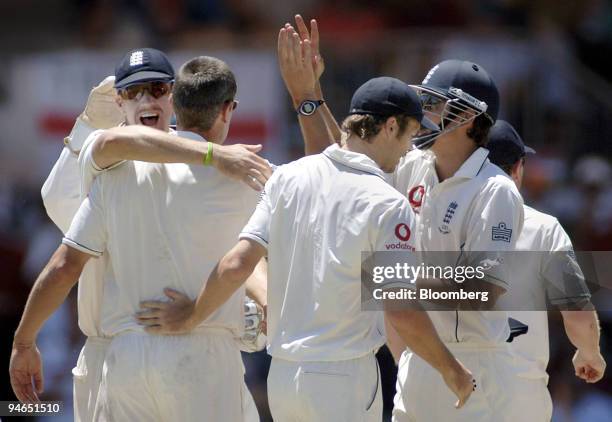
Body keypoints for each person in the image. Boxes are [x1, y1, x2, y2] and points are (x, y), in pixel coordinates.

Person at [141, 74, 478, 421]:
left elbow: (236, 264)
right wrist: (453, 372)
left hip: (284, 378)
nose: (411, 148)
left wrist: (192, 315)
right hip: (343, 379)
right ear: (390, 127)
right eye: (410, 134)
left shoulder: (287, 178)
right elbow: (401, 310)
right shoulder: (388, 204)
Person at [277, 16, 525, 420]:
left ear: (468, 116)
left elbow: (483, 291)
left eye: (434, 103)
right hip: (418, 358)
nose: (423, 112)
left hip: (474, 364)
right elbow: (341, 163)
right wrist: (309, 94)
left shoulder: (494, 191)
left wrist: (394, 282)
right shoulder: (414, 166)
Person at [10, 52, 270, 421]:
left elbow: (241, 257)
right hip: (123, 348)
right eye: (133, 93)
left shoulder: (229, 170)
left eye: (157, 89)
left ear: (174, 97)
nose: (146, 100)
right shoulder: (111, 165)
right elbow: (62, 203)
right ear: (118, 101)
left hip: (152, 354)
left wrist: (257, 305)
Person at [487, 120, 606, 420]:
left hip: (450, 381)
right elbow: (578, 314)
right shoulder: (543, 227)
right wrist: (590, 353)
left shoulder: (435, 219)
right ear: (517, 169)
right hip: (517, 392)